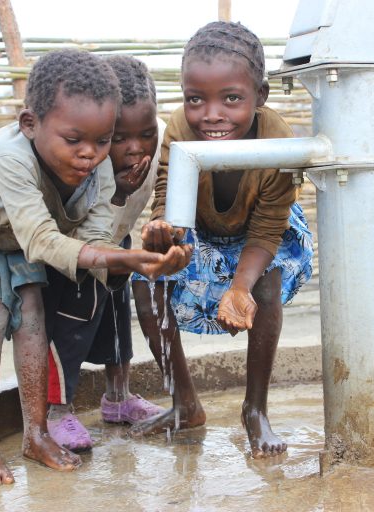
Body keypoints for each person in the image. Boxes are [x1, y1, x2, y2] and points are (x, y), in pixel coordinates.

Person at [0, 48, 191, 485]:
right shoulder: (12, 159)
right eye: (74, 140)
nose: (90, 154)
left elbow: (93, 246)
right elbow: (45, 241)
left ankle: (36, 434)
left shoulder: (97, 169)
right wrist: (127, 259)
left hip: (16, 229)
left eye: (103, 141)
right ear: (30, 125)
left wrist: (140, 266)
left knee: (32, 316)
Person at [130, 21, 314, 458]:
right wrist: (163, 231)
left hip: (265, 233)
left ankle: (255, 408)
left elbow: (269, 226)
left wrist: (239, 287)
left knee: (264, 287)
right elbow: (167, 195)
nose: (211, 114)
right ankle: (185, 403)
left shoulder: (276, 138)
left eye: (231, 98)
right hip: (202, 228)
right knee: (144, 283)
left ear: (260, 96)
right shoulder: (179, 129)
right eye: (196, 99)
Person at [43, 55, 168, 452]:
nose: (134, 148)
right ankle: (58, 411)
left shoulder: (161, 139)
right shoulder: (80, 156)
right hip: (75, 250)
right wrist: (117, 192)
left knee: (116, 316)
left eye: (144, 134)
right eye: (118, 138)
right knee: (70, 323)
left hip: (119, 241)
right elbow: (70, 222)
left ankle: (118, 398)